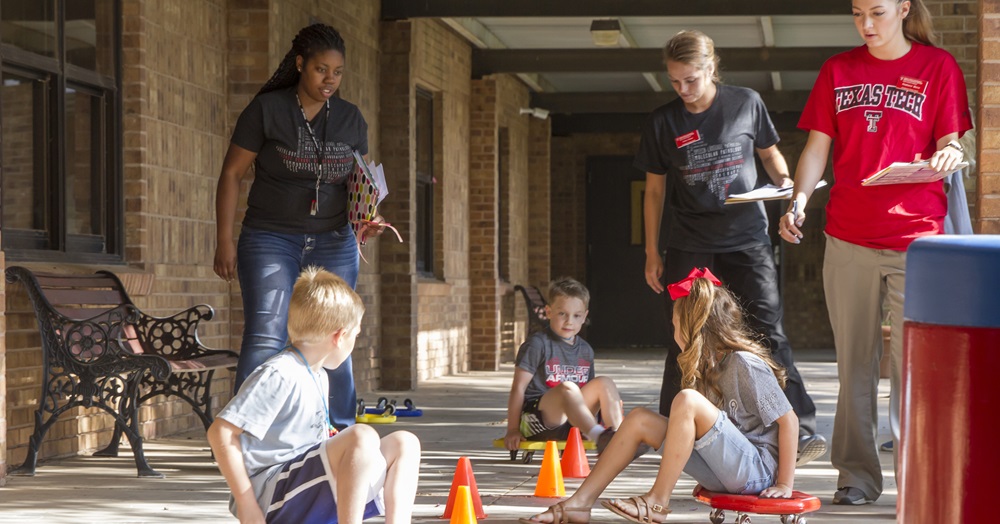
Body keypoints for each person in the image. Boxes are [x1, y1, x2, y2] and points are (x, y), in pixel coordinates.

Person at [779, 0, 971, 506]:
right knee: (855, 367)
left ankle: (918, 478)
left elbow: (949, 141)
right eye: (858, 14)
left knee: (914, 368)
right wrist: (799, 200)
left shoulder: (938, 67)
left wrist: (950, 154)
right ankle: (858, 478)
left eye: (878, 13)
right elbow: (817, 147)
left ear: (904, 8)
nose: (867, 24)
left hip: (919, 241)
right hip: (848, 236)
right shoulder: (838, 70)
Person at [633, 29, 825, 465]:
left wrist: (785, 183)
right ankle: (672, 431)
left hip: (747, 239)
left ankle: (800, 426)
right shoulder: (663, 122)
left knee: (767, 331)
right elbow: (654, 194)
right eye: (675, 81)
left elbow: (771, 155)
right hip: (689, 242)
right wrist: (651, 252)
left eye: (691, 80)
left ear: (711, 69)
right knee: (683, 335)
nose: (683, 90)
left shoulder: (746, 102)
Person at [519, 269, 798, 524]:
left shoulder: (744, 363)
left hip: (755, 472)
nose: (673, 331)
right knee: (640, 418)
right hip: (723, 470)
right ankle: (579, 503)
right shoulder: (708, 365)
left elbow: (789, 421)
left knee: (687, 400)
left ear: (693, 328)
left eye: (676, 325)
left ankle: (657, 502)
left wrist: (784, 485)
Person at [214, 23, 384, 430]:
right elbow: (231, 174)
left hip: (334, 239)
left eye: (337, 72)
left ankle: (339, 429)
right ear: (300, 65)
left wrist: (367, 219)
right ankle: (246, 432)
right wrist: (223, 240)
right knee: (266, 332)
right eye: (321, 69)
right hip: (271, 236)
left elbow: (359, 180)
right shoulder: (267, 110)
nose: (330, 80)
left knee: (337, 333)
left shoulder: (350, 118)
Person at [208, 267, 420, 523]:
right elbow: (220, 431)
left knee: (404, 443)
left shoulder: (317, 373)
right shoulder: (280, 373)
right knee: (362, 435)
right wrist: (246, 504)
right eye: (356, 334)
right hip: (270, 499)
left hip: (303, 487)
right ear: (340, 336)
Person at [504, 278, 632, 455]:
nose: (569, 321)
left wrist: (609, 407)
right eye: (562, 314)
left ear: (584, 317)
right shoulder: (537, 344)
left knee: (604, 382)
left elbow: (591, 394)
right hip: (540, 420)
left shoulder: (585, 350)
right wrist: (512, 429)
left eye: (576, 315)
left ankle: (618, 441)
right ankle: (598, 437)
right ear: (548, 312)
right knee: (567, 388)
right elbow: (518, 388)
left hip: (574, 421)